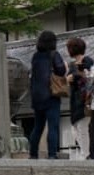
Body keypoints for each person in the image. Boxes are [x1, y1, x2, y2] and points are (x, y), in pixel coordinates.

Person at [28, 30, 67, 160]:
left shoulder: (35, 57)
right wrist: (65, 67)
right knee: (53, 126)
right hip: (51, 95)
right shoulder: (54, 55)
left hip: (37, 96)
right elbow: (61, 70)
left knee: (38, 126)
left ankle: (33, 153)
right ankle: (51, 154)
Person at [65, 37, 94, 158]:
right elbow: (67, 81)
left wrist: (74, 76)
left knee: (82, 128)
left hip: (85, 99)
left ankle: (86, 154)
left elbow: (91, 76)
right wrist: (67, 79)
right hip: (74, 100)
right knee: (75, 128)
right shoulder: (71, 65)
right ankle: (85, 152)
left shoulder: (88, 61)